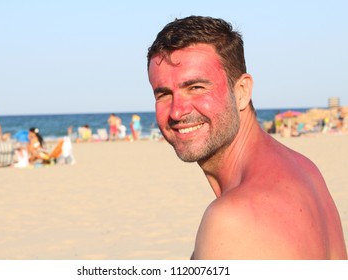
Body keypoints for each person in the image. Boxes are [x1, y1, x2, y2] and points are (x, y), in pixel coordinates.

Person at [147, 16, 347, 259]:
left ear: (242, 91)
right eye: (164, 94)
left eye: (197, 87)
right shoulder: (305, 169)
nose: (177, 111)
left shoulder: (232, 219)